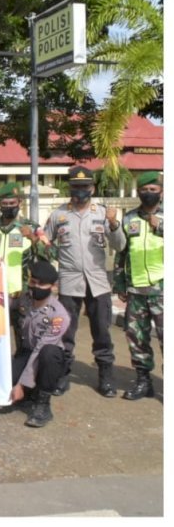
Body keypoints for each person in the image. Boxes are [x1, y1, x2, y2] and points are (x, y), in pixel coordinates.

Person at [42, 165, 126, 397]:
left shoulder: (102, 213)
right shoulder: (59, 215)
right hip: (69, 281)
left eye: (85, 187)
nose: (80, 191)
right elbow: (46, 245)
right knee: (66, 332)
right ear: (70, 187)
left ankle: (106, 378)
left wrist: (113, 224)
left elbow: (120, 245)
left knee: (102, 331)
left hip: (98, 281)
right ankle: (62, 375)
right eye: (76, 187)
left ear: (92, 187)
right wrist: (40, 242)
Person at [113, 171, 163, 400]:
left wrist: (161, 228)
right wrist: (120, 284)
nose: (149, 193)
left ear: (161, 192)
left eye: (153, 190)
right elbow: (121, 254)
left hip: (163, 291)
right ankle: (144, 382)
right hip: (136, 290)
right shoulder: (129, 219)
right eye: (145, 190)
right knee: (137, 338)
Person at [0, 182, 48, 343]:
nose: (8, 207)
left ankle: (23, 368)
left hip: (22, 293)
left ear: (19, 202)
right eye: (4, 204)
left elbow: (49, 255)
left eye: (12, 203)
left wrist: (33, 239)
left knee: (25, 339)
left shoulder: (32, 227)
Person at [10, 260, 71, 428]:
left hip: (47, 360)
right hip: (25, 353)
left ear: (52, 286)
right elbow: (2, 306)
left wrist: (21, 384)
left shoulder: (58, 315)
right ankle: (29, 393)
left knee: (49, 353)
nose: (35, 287)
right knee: (6, 387)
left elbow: (38, 350)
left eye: (41, 284)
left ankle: (43, 404)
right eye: (32, 282)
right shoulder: (24, 298)